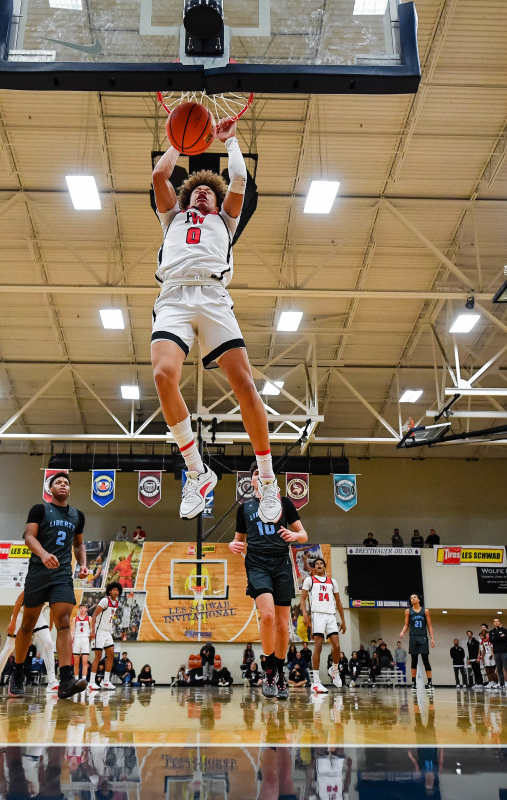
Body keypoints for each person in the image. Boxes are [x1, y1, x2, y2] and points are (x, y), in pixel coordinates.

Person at [150, 117, 281, 524]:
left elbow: (239, 178)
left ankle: (267, 480)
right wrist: (178, 142)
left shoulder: (225, 221)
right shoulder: (171, 217)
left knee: (244, 385)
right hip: (173, 295)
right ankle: (196, 471)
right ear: (188, 197)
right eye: (198, 190)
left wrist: (230, 142)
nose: (203, 193)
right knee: (162, 376)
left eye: (210, 191)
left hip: (212, 295)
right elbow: (160, 174)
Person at [7, 471, 90, 699]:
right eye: (58, 482)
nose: (63, 485)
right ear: (50, 489)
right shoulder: (40, 509)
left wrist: (83, 564)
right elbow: (28, 537)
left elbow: (79, 544)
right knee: (28, 624)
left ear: (69, 489)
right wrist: (43, 554)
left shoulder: (77, 515)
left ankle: (66, 679)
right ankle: (18, 672)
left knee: (63, 623)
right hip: (38, 572)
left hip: (62, 574)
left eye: (66, 483)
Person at [229, 467, 308, 699]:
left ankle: (281, 674)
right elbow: (237, 541)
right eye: (255, 474)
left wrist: (295, 536)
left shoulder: (284, 503)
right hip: (257, 564)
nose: (260, 477)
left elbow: (303, 534)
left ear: (272, 481)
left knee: (284, 627)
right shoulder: (244, 508)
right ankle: (269, 669)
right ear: (252, 482)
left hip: (281, 563)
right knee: (268, 617)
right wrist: (232, 546)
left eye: (264, 474)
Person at [300, 556, 346, 693]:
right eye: (317, 564)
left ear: (325, 567)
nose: (319, 565)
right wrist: (305, 614)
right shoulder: (310, 580)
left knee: (337, 646)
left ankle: (334, 669)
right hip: (317, 614)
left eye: (321, 563)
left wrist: (343, 620)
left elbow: (338, 602)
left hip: (330, 615)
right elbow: (302, 599)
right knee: (318, 647)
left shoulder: (332, 582)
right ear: (314, 568)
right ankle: (316, 682)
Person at [88, 583, 123, 692]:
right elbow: (93, 616)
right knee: (98, 656)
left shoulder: (116, 603)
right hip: (98, 631)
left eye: (117, 590)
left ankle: (106, 681)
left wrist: (110, 631)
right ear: (109, 591)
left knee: (111, 654)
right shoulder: (104, 601)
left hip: (107, 632)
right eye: (113, 590)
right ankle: (91, 682)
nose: (115, 592)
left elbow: (109, 618)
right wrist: (92, 631)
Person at [398, 594, 435, 692]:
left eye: (414, 597)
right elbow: (406, 625)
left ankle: (430, 683)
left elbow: (430, 625)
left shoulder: (425, 611)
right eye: (411, 598)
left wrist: (432, 638)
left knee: (425, 660)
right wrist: (402, 631)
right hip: (413, 637)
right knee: (413, 661)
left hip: (423, 637)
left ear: (418, 599)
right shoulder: (408, 611)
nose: (412, 599)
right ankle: (414, 683)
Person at [71, 604, 92, 681]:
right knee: (76, 662)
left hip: (85, 639)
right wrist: (71, 641)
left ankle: (84, 679)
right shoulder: (75, 619)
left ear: (86, 609)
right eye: (81, 608)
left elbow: (92, 630)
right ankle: (76, 679)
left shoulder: (89, 618)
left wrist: (91, 640)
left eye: (84, 608)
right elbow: (72, 631)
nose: (82, 609)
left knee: (85, 661)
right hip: (77, 639)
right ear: (79, 609)